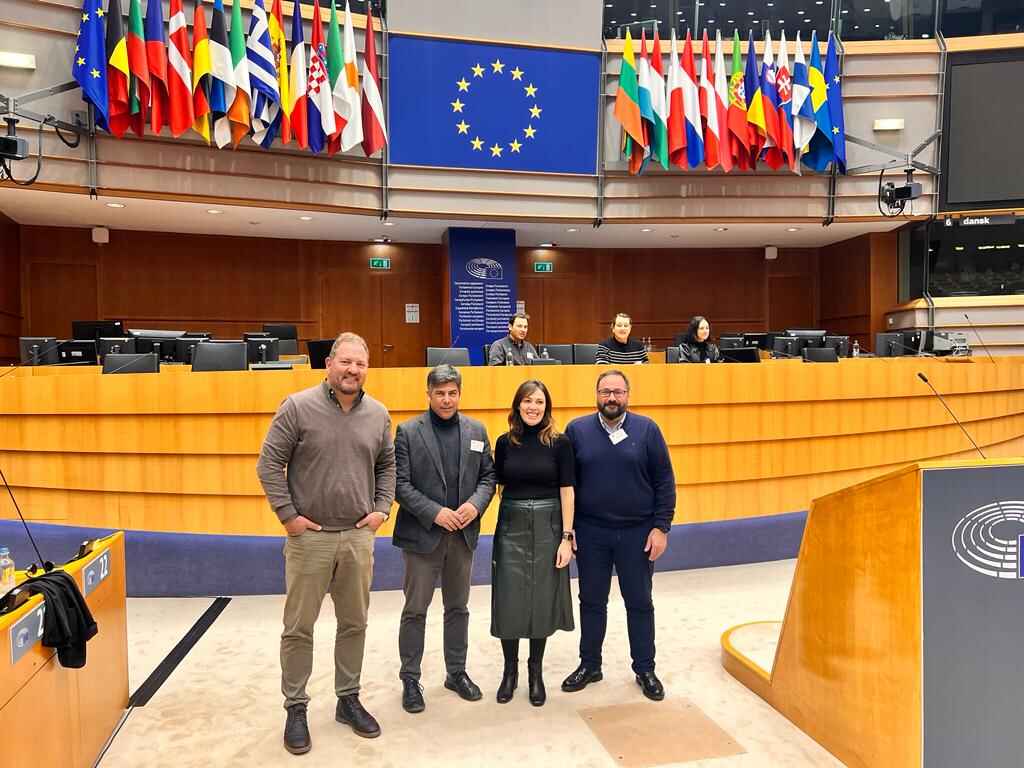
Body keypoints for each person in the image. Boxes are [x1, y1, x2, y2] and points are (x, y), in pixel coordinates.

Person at [256, 331, 396, 755]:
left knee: (354, 623)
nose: (353, 370)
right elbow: (268, 464)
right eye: (346, 362)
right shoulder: (297, 407)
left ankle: (348, 699)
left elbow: (387, 465)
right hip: (310, 540)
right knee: (299, 628)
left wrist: (381, 509)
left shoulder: (378, 414)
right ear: (329, 363)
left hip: (357, 537)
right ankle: (296, 707)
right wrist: (289, 517)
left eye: (360, 364)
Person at [561, 370, 675, 702]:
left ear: (628, 395)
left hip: (637, 533)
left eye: (618, 392)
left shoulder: (648, 429)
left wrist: (661, 527)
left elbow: (664, 481)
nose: (611, 398)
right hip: (591, 532)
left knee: (639, 602)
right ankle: (590, 665)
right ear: (596, 394)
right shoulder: (577, 430)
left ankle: (645, 669)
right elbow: (567, 486)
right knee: (591, 601)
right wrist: (569, 530)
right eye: (605, 392)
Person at [392, 365, 496, 714]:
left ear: (460, 394)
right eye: (440, 393)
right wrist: (435, 513)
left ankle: (456, 672)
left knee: (458, 608)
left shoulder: (476, 430)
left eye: (452, 393)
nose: (447, 399)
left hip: (462, 536)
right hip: (422, 536)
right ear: (429, 394)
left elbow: (488, 477)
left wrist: (474, 505)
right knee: (415, 611)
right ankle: (410, 679)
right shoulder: (408, 432)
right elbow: (399, 484)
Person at [491, 380, 575, 707]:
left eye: (539, 402)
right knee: (509, 598)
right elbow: (499, 487)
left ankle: (534, 671)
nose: (533, 407)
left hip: (549, 527)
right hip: (511, 527)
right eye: (527, 401)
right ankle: (509, 671)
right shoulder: (504, 443)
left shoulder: (560, 443)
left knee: (541, 597)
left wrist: (566, 537)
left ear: (547, 407)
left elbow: (567, 490)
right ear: (517, 406)